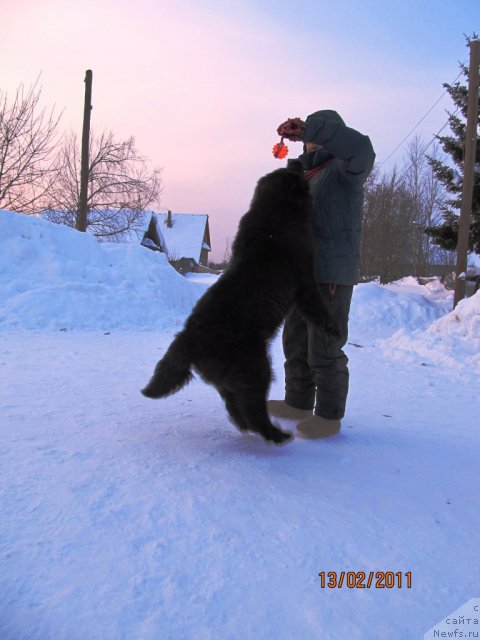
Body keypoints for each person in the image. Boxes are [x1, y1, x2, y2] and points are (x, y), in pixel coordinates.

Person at [267, 110, 375, 439]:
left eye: (315, 132)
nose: (309, 139)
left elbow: (362, 148)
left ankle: (328, 416)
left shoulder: (346, 169)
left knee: (324, 346)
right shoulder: (308, 173)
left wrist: (314, 128)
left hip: (330, 273)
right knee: (296, 342)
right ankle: (298, 402)